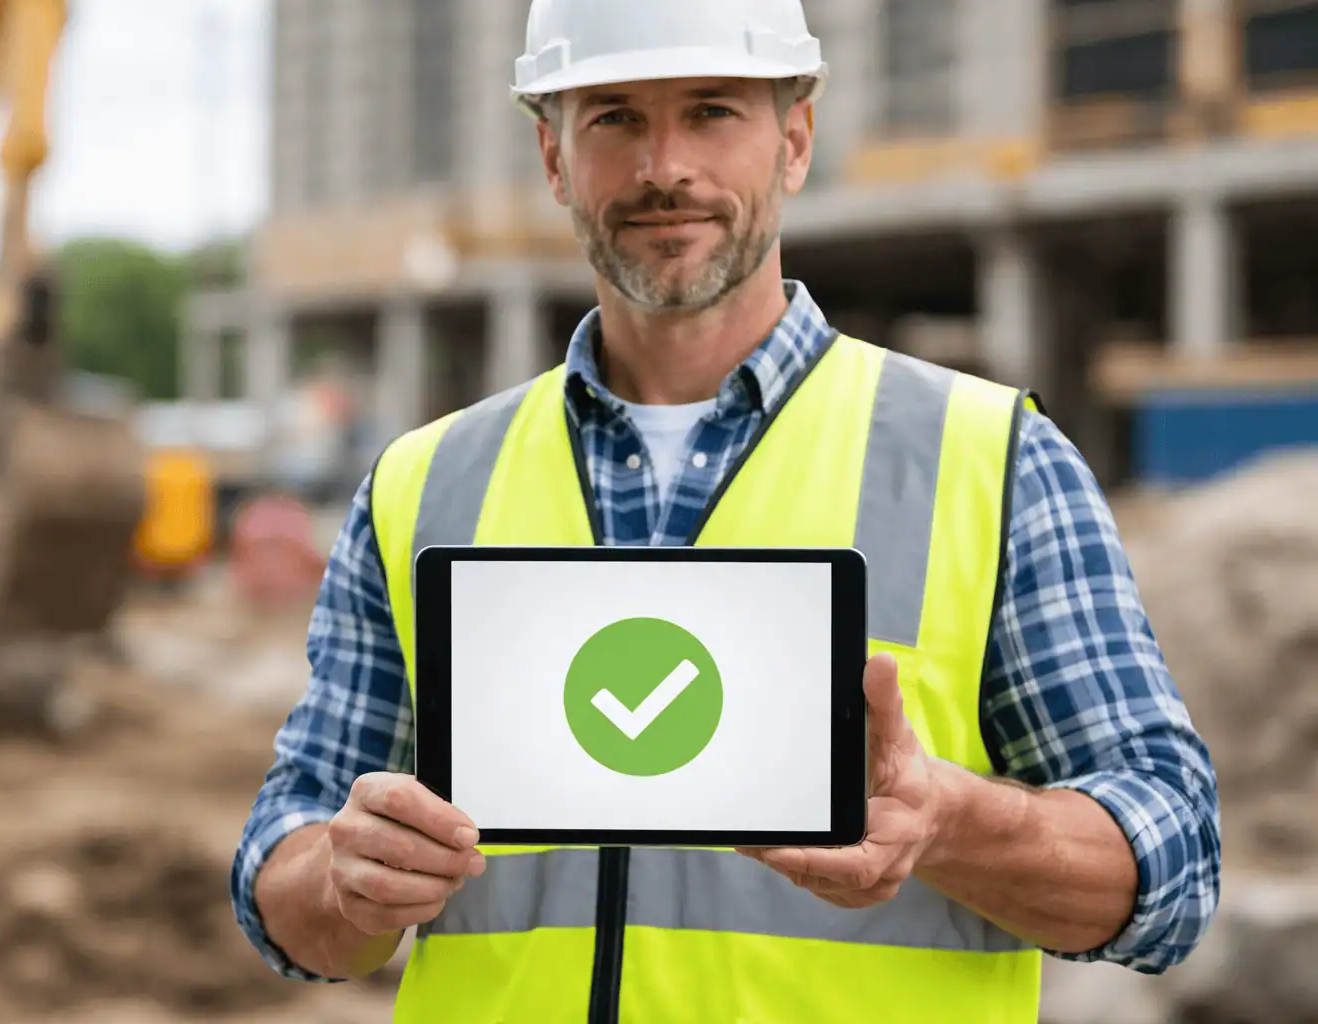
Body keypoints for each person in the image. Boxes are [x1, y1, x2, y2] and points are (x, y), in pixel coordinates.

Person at [230, 0, 1221, 1020]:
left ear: (794, 142)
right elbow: (285, 876)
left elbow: (1173, 862)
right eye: (613, 116)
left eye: (711, 111)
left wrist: (952, 823)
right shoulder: (422, 484)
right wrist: (343, 879)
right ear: (554, 156)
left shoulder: (988, 460)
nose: (665, 166)